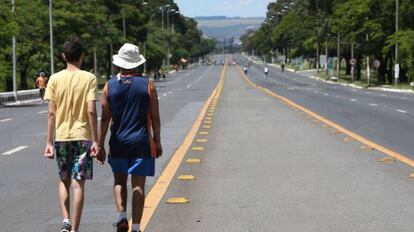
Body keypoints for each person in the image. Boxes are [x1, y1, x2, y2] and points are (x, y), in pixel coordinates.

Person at [98, 43, 163, 232]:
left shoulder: (109, 86)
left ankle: (121, 217)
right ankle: (135, 227)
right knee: (138, 186)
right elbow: (156, 117)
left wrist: (100, 144)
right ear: (137, 64)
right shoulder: (148, 85)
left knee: (119, 181)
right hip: (142, 143)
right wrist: (157, 141)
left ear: (119, 64)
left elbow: (105, 119)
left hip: (118, 143)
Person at [43, 39, 102, 232]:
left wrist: (49, 142)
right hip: (83, 136)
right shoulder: (89, 78)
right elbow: (91, 110)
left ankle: (66, 221)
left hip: (61, 137)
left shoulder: (54, 79)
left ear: (63, 56)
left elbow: (51, 113)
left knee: (64, 179)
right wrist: (96, 141)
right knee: (78, 184)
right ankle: (75, 229)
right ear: (82, 56)